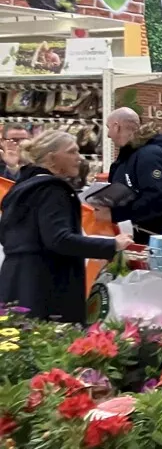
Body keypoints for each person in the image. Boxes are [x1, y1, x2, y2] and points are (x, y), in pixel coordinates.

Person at [0, 130, 129, 322]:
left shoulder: (21, 187)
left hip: (16, 281)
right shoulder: (52, 190)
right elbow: (58, 240)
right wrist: (112, 245)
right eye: (72, 152)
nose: (79, 158)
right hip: (47, 289)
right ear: (52, 158)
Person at [104, 107, 162, 240]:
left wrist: (114, 214)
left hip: (155, 246)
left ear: (116, 127)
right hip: (133, 243)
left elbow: (156, 199)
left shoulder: (150, 155)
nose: (108, 134)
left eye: (108, 127)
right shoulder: (126, 159)